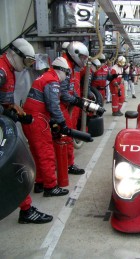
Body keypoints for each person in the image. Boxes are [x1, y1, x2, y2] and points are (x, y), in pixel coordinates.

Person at [0, 38, 53, 224]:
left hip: (4, 122)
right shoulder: (1, 70)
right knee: (14, 166)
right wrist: (5, 112)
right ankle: (27, 209)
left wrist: (17, 113)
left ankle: (26, 208)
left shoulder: (8, 69)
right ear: (15, 54)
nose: (27, 66)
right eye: (27, 61)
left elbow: (6, 101)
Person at [22, 57, 70, 197]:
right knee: (46, 153)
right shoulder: (52, 81)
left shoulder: (43, 77)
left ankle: (40, 182)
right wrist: (62, 123)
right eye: (66, 73)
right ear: (61, 70)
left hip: (29, 118)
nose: (66, 77)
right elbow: (53, 105)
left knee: (37, 153)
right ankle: (51, 186)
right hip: (38, 119)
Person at [60, 41, 89, 175]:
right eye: (82, 58)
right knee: (66, 137)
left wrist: (77, 99)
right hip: (60, 107)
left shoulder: (69, 67)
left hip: (63, 107)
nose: (83, 61)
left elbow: (71, 88)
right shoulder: (65, 67)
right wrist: (75, 100)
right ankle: (68, 165)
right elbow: (63, 93)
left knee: (65, 137)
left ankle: (65, 164)